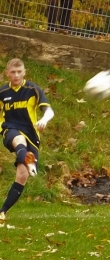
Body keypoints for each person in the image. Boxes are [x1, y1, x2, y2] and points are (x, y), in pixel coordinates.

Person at [0, 58, 54, 222]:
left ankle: (2, 212)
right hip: (10, 129)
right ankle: (26, 157)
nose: (16, 75)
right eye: (13, 72)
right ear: (7, 73)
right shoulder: (2, 93)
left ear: (24, 72)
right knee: (18, 140)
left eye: (19, 71)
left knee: (22, 176)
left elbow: (49, 110)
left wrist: (44, 120)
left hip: (31, 134)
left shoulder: (33, 89)